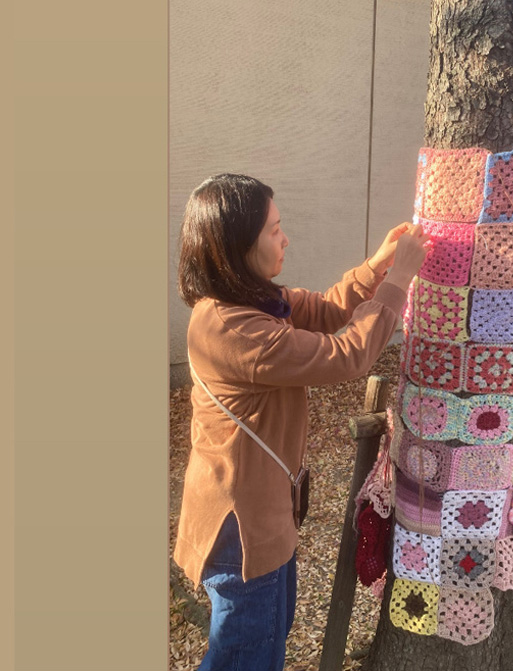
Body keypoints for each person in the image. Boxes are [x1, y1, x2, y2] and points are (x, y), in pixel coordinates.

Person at [172, 173, 428, 670]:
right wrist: (400, 282)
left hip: (263, 515)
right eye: (273, 229)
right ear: (235, 247)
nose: (285, 238)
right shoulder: (230, 326)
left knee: (262, 641)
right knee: (248, 658)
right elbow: (344, 356)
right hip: (241, 527)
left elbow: (328, 310)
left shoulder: (252, 301)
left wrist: (377, 266)